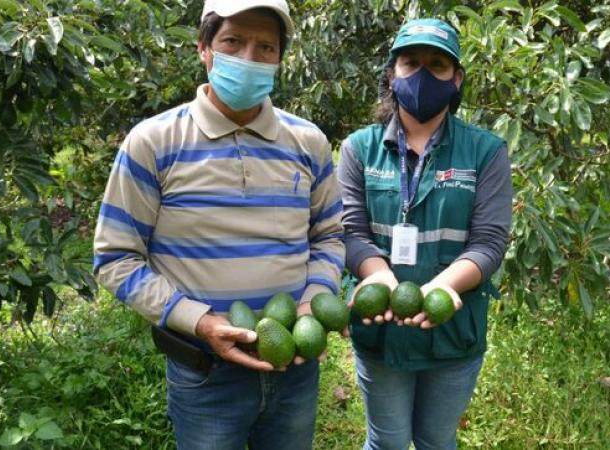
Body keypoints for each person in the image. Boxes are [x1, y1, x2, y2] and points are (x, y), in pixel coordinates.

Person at [93, 1, 344, 448]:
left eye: (265, 46)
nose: (249, 57)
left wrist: (316, 296)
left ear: (280, 59)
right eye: (233, 41)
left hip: (296, 367)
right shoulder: (153, 141)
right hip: (206, 373)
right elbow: (115, 257)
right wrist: (198, 320)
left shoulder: (308, 142)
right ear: (204, 49)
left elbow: (328, 234)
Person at [337, 18, 513, 450]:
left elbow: (490, 240)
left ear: (457, 80)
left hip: (454, 327)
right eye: (410, 62)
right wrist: (378, 277)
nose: (421, 74)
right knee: (388, 442)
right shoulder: (359, 148)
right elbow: (350, 230)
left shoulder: (485, 150)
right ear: (391, 75)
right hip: (382, 330)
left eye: (436, 65)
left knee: (436, 440)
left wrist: (443, 286)